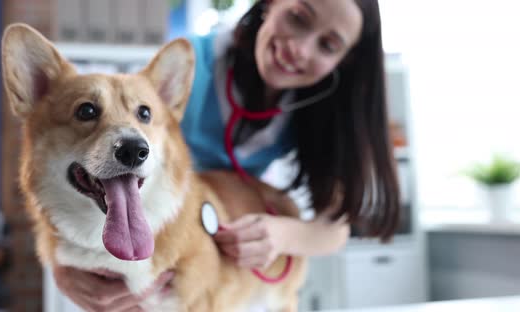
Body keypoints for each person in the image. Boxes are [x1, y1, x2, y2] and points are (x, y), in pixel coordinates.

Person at [53, 0, 400, 310]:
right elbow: (87, 168)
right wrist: (63, 267)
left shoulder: (319, 113)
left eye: (327, 45)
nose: (300, 48)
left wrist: (278, 235)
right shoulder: (186, 69)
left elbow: (334, 230)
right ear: (271, 4)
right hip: (154, 249)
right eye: (298, 17)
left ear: (344, 62)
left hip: (223, 261)